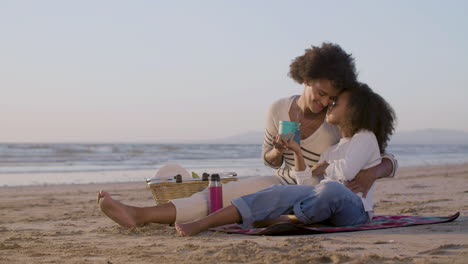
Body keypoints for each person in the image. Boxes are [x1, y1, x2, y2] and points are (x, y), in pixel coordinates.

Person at [97, 43, 397, 227]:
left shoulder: (336, 121)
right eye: (320, 93)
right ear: (306, 79)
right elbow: (267, 159)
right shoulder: (279, 108)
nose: (323, 103)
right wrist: (279, 151)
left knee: (239, 199)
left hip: (311, 189)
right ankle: (145, 211)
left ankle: (143, 215)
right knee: (225, 194)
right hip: (281, 178)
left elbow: (380, 153)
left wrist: (373, 173)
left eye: (329, 99)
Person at [175, 82, 396, 236]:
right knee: (278, 192)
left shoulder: (365, 138)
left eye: (336, 102)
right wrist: (297, 153)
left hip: (356, 211)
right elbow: (308, 185)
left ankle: (285, 219)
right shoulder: (332, 149)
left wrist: (326, 167)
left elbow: (345, 173)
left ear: (355, 111)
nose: (330, 104)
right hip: (325, 206)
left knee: (333, 190)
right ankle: (204, 223)